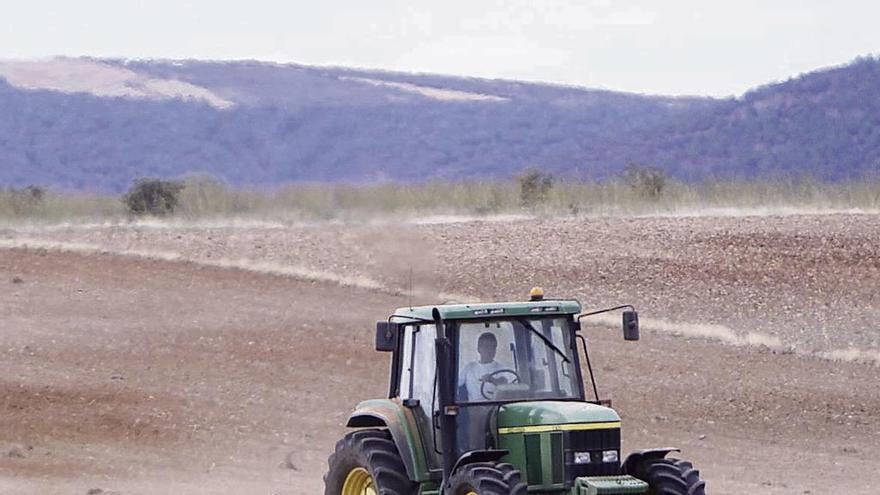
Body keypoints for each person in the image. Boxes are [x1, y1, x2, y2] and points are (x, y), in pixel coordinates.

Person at [458, 332, 506, 400]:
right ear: (479, 349)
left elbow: (505, 383)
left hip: (495, 406)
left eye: (493, 347)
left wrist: (492, 379)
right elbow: (456, 384)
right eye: (487, 347)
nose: (490, 350)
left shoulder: (500, 367)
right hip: (474, 407)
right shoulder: (469, 368)